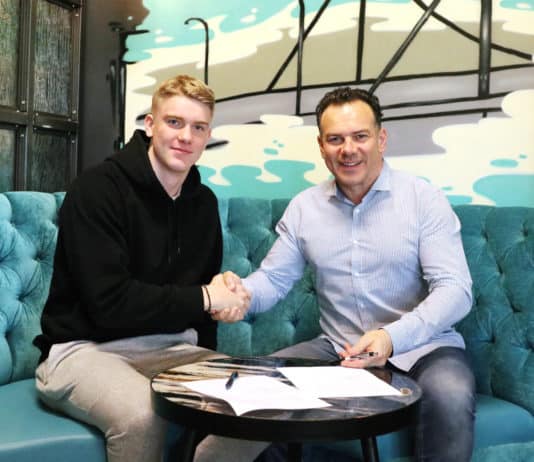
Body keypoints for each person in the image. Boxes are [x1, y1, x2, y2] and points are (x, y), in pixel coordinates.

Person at [197, 87, 476, 462]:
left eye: (360, 136)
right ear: (321, 146)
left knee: (452, 395)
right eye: (335, 139)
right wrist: (235, 292)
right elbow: (273, 280)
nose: (348, 149)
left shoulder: (424, 200)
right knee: (253, 388)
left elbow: (456, 290)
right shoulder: (305, 208)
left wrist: (390, 337)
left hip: (425, 348)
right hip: (338, 349)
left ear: (381, 139)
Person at [33, 74, 249, 462]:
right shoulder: (97, 189)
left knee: (259, 399)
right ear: (150, 124)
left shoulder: (203, 203)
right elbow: (109, 304)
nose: (185, 137)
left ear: (207, 136)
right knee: (143, 416)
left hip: (173, 350)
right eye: (174, 122)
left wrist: (221, 303)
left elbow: (202, 313)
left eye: (198, 127)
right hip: (83, 350)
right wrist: (205, 297)